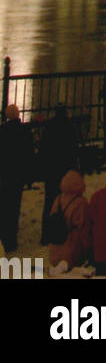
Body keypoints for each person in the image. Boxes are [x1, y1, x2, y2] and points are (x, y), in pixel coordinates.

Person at [39, 103, 79, 243]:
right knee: (65, 202)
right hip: (65, 170)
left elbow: (43, 148)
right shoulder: (69, 127)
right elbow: (74, 149)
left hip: (52, 170)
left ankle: (46, 234)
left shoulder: (49, 127)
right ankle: (61, 232)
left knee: (49, 201)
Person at [0, 103, 35, 253]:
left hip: (5, 174)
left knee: (4, 207)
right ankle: (11, 239)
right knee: (14, 207)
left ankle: (4, 238)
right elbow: (29, 155)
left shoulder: (3, 131)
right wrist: (29, 176)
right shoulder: (24, 131)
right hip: (18, 175)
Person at [46, 168, 90, 273]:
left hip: (55, 249)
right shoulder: (81, 202)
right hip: (72, 250)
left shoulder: (58, 199)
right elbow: (83, 228)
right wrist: (88, 250)